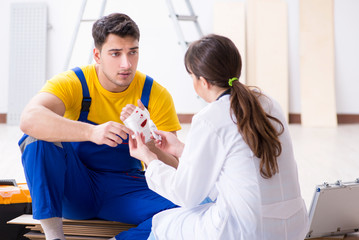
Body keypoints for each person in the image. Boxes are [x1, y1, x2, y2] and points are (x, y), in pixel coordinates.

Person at [126, 34, 309, 239]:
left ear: (202, 81)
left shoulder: (209, 118)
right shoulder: (269, 104)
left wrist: (149, 158)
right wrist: (180, 149)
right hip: (295, 227)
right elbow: (239, 160)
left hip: (248, 231)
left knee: (164, 223)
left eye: (192, 77)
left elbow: (186, 194)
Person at [18, 13, 181, 240]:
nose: (126, 64)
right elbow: (29, 119)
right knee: (36, 139)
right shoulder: (74, 82)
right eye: (115, 54)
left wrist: (148, 139)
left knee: (186, 210)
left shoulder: (155, 94)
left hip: (125, 189)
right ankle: (55, 237)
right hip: (77, 188)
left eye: (132, 52)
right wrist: (91, 132)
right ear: (97, 55)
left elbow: (175, 169)